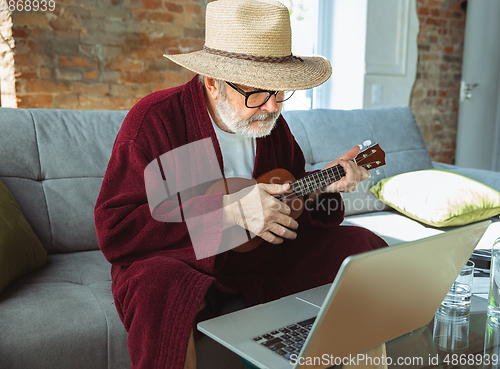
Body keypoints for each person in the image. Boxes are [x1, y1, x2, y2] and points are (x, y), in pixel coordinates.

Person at [94, 0, 388, 368]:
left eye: (280, 92)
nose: (270, 107)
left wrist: (326, 187)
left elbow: (292, 205)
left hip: (260, 262)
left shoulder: (271, 127)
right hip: (185, 264)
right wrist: (230, 213)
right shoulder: (158, 121)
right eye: (256, 94)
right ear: (214, 82)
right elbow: (117, 231)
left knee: (363, 246)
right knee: (158, 287)